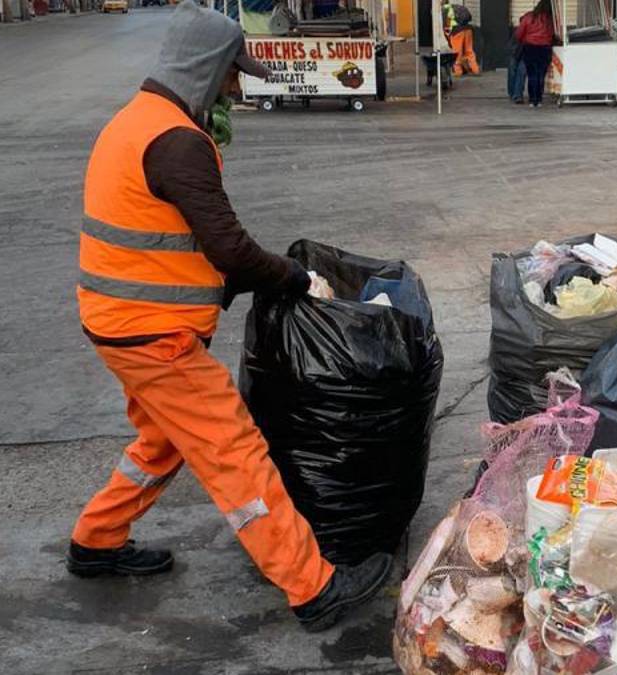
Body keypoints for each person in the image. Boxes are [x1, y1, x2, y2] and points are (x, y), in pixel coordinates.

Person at [67, 1, 391, 634]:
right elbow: (230, 248)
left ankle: (95, 541)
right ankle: (313, 587)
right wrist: (298, 280)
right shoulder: (177, 143)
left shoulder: (136, 121)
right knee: (235, 453)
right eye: (230, 75)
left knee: (162, 441)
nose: (235, 86)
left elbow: (170, 242)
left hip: (117, 323)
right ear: (206, 69)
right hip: (153, 337)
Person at [514, 0, 556, 107]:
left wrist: (525, 40)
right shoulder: (550, 20)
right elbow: (552, 34)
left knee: (532, 74)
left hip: (530, 48)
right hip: (545, 48)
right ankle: (539, 99)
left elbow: (519, 33)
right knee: (541, 74)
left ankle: (532, 100)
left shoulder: (529, 17)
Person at [444, 1, 479, 77]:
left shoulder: (445, 10)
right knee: (469, 50)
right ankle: (475, 69)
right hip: (468, 29)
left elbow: (447, 25)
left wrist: (448, 36)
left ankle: (458, 72)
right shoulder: (456, 6)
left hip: (457, 32)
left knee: (457, 52)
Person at [506, 23, 526, 104]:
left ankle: (514, 94)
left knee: (513, 72)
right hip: (520, 52)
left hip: (516, 52)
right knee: (520, 72)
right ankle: (516, 95)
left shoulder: (517, 31)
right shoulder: (524, 30)